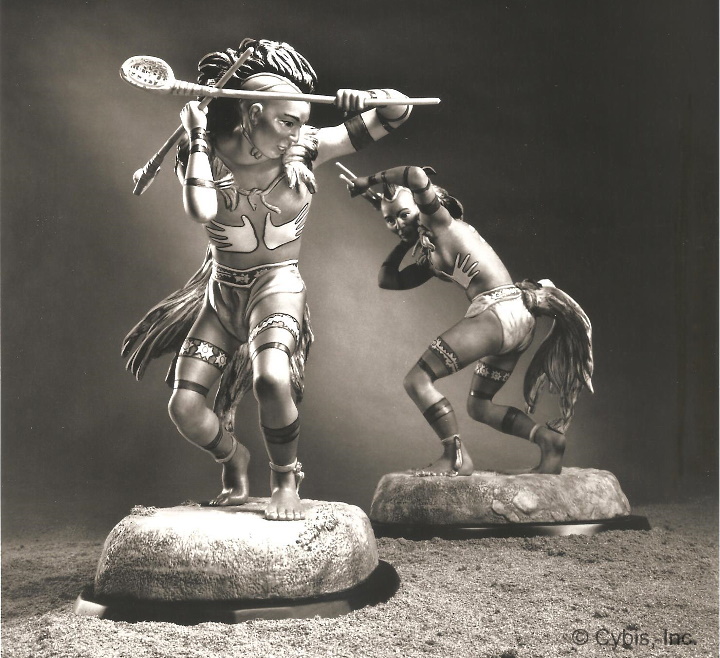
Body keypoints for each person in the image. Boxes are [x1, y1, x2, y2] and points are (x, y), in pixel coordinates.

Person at [122, 39, 413, 520]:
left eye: (302, 121)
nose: (296, 133)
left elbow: (397, 114)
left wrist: (371, 98)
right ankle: (233, 458)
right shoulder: (203, 153)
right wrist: (197, 137)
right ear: (252, 113)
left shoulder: (306, 147)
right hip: (222, 295)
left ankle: (285, 480)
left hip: (277, 287)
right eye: (287, 121)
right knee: (184, 407)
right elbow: (201, 209)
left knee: (272, 377)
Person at [340, 164, 593, 475]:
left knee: (417, 380)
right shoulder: (430, 256)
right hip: (516, 318)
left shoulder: (440, 221)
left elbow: (416, 175)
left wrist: (369, 180)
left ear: (420, 205)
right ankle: (549, 441)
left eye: (403, 214)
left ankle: (455, 457)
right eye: (389, 220)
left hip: (498, 311)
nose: (396, 224)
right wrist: (404, 236)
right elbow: (388, 279)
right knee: (479, 405)